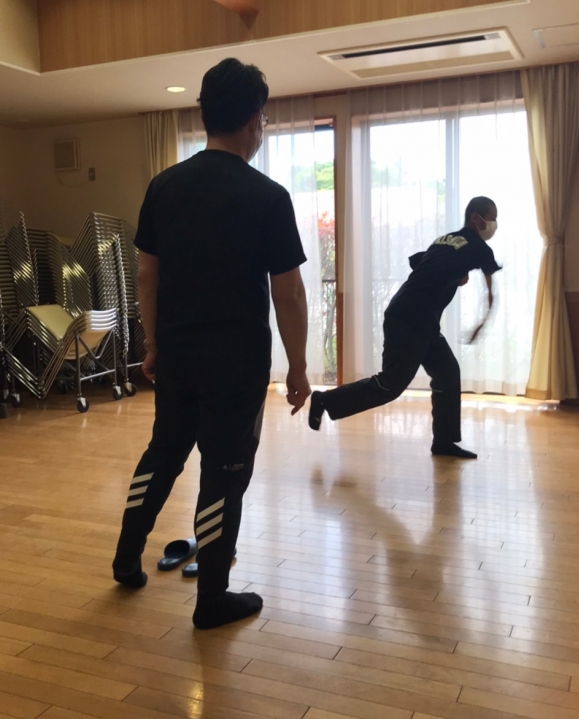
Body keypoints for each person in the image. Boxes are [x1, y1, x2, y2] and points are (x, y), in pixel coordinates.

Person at [112, 58, 311, 629]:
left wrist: (153, 343)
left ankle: (126, 557)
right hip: (236, 363)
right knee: (225, 471)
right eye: (264, 119)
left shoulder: (163, 186)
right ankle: (212, 599)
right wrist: (298, 367)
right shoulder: (267, 195)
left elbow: (146, 275)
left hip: (177, 354)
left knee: (163, 453)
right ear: (252, 119)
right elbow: (289, 292)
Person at [309, 197, 501, 458]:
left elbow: (421, 264)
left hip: (417, 316)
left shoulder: (444, 239)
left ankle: (443, 442)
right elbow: (490, 292)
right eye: (492, 218)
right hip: (411, 319)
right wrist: (482, 323)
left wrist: (456, 275)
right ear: (476, 218)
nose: (494, 224)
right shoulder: (479, 247)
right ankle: (324, 400)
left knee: (447, 373)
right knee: (390, 385)